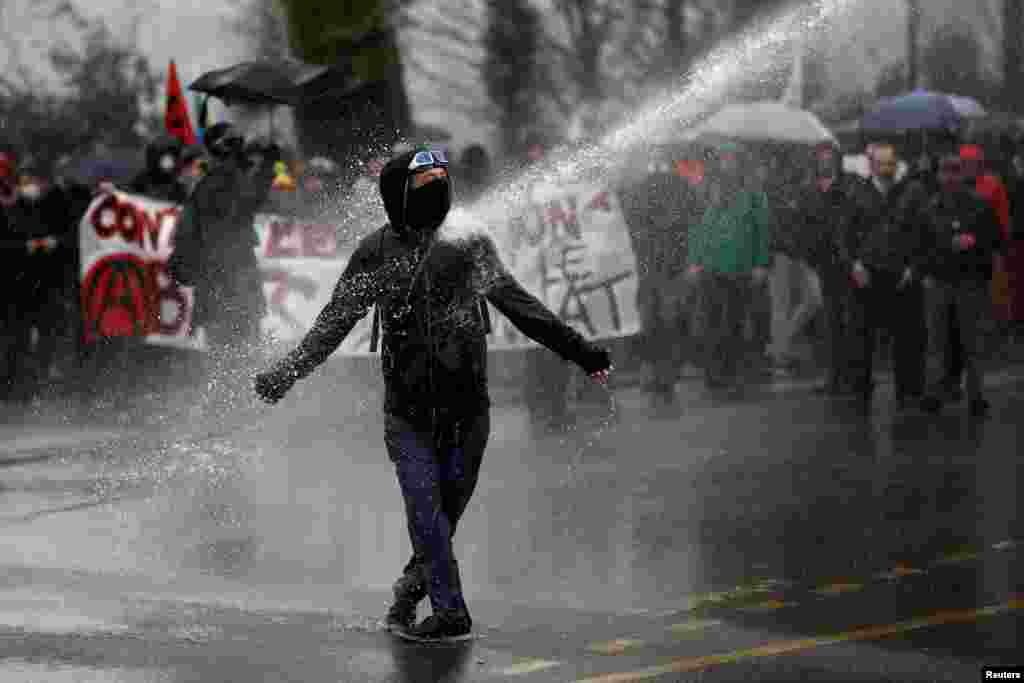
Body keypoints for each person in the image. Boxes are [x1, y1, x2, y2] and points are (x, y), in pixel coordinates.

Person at [252, 148, 612, 641]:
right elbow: (333, 323)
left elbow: (518, 304)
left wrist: (582, 352)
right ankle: (451, 614)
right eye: (423, 188)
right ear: (396, 198)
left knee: (441, 518)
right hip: (407, 413)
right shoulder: (374, 253)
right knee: (427, 511)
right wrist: (287, 372)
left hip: (469, 409)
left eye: (440, 186)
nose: (436, 197)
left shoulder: (467, 243)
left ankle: (408, 588)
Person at [168, 122, 276, 353]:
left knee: (227, 357)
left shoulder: (207, 185)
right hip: (230, 284)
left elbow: (185, 239)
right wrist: (267, 165)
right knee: (240, 354)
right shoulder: (224, 180)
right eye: (235, 143)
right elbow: (249, 199)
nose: (241, 147)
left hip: (220, 286)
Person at [919, 155, 1003, 418]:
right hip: (939, 282)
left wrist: (975, 241)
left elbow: (997, 238)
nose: (950, 177)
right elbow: (920, 245)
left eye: (955, 172)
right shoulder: (930, 207)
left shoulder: (979, 206)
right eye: (945, 172)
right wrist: (931, 266)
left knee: (972, 342)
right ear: (939, 176)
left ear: (962, 174)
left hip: (970, 282)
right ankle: (934, 394)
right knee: (936, 342)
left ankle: (976, 397)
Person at [850, 143, 931, 412]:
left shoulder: (911, 191)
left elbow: (924, 233)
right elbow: (845, 234)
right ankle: (860, 389)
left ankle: (909, 391)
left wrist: (915, 267)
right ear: (871, 165)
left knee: (908, 336)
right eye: (880, 164)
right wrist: (854, 263)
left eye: (890, 164)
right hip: (868, 272)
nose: (885, 170)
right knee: (862, 336)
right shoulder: (858, 191)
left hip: (902, 274)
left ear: (895, 165)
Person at [686, 142, 772, 391]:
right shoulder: (708, 190)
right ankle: (714, 372)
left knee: (734, 322)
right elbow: (698, 228)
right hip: (712, 266)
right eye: (723, 158)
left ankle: (732, 370)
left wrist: (760, 263)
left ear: (738, 161)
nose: (727, 163)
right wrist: (694, 260)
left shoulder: (753, 192)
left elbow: (762, 231)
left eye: (731, 158)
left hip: (741, 266)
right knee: (711, 321)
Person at [788, 143, 870, 395]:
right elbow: (803, 225)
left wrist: (859, 258)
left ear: (837, 160)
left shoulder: (850, 186)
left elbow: (859, 221)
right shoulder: (809, 190)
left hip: (848, 261)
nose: (825, 162)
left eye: (829, 158)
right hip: (824, 264)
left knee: (854, 321)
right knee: (832, 322)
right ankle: (835, 376)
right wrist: (807, 254)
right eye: (821, 158)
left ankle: (858, 378)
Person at [619, 144, 696, 405]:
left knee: (661, 320)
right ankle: (660, 374)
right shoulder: (645, 189)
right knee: (658, 321)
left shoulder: (669, 188)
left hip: (661, 265)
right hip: (654, 265)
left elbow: (689, 223)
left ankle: (661, 374)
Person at [128, 134, 188, 203]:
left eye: (173, 158)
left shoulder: (178, 188)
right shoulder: (140, 182)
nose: (170, 162)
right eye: (167, 157)